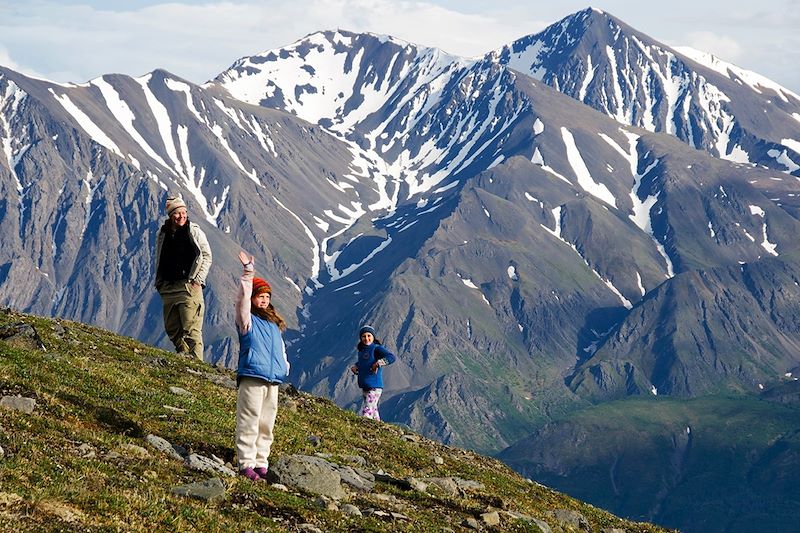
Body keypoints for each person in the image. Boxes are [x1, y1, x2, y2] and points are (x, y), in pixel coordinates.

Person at [234, 250, 289, 481]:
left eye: (267, 296)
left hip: (272, 379)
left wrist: (285, 366)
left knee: (267, 422)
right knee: (249, 418)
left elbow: (281, 350)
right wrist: (249, 274)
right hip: (253, 376)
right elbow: (241, 302)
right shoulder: (247, 320)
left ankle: (261, 463)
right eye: (260, 296)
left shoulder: (274, 324)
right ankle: (246, 463)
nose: (264, 299)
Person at [154, 196, 212, 361]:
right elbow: (159, 256)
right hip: (168, 287)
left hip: (188, 287)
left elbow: (207, 256)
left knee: (191, 329)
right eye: (177, 213)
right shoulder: (163, 233)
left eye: (184, 212)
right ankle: (185, 359)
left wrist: (198, 280)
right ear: (171, 215)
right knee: (173, 328)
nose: (181, 216)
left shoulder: (194, 231)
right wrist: (159, 282)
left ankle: (197, 365)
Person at [350, 325, 395, 420]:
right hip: (365, 385)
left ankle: (363, 427)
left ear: (373, 337)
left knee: (368, 409)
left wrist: (378, 363)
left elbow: (391, 357)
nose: (366, 338)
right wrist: (356, 366)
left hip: (375, 386)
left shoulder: (376, 348)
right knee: (373, 409)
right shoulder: (362, 350)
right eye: (364, 336)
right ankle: (378, 428)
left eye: (368, 335)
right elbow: (363, 362)